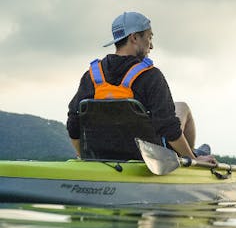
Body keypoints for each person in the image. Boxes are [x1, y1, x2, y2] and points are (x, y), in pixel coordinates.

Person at [67, 11, 214, 163]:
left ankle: (195, 153)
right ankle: (191, 158)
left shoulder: (91, 76)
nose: (152, 45)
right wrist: (193, 160)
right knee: (182, 107)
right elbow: (169, 128)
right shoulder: (151, 76)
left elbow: (73, 124)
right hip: (149, 159)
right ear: (134, 38)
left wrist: (85, 157)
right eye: (149, 37)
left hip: (101, 155)